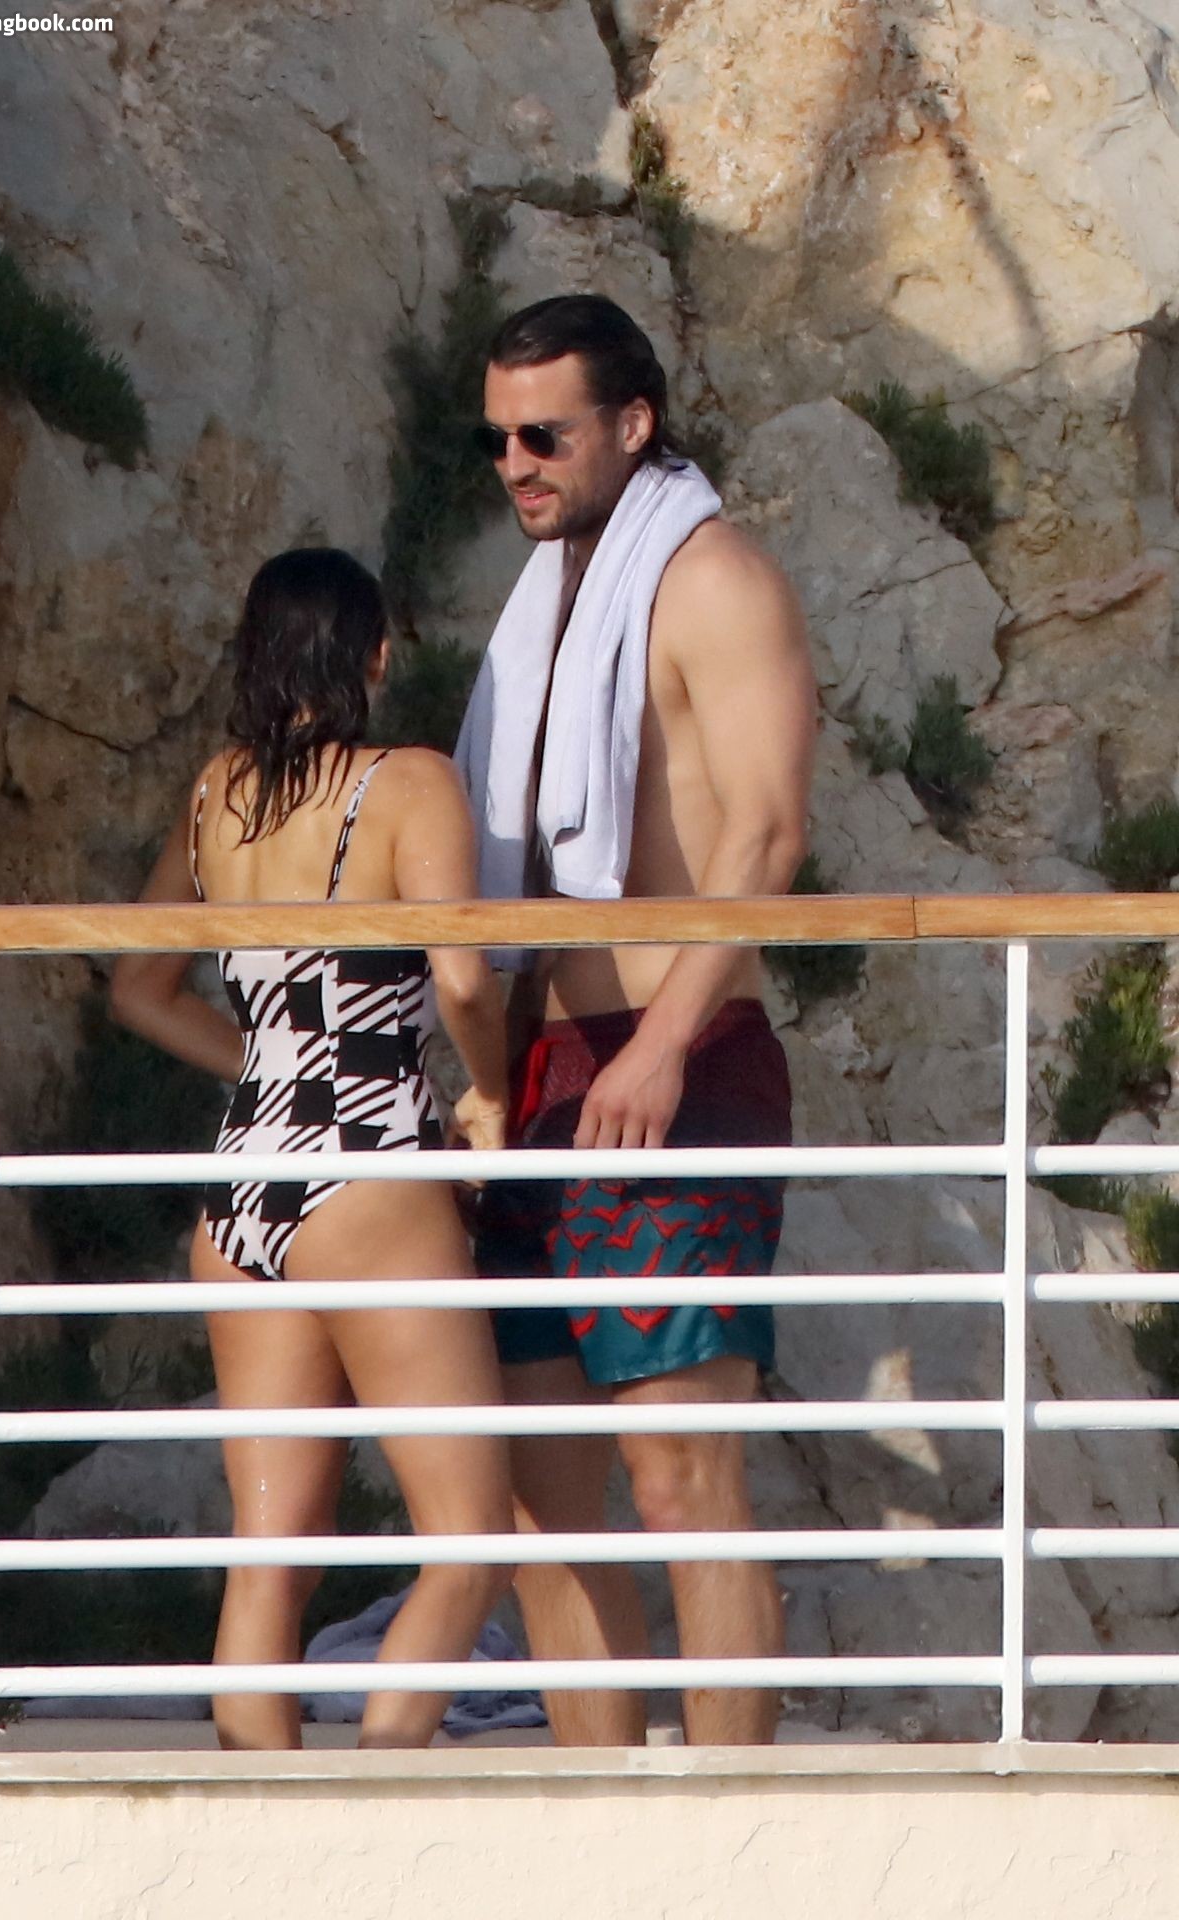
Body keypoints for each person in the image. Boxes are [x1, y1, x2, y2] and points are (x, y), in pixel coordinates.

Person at [457, 295, 816, 1746]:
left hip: (683, 1060)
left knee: (678, 1472)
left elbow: (767, 833)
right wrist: (489, 1075)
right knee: (539, 1490)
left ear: (633, 422)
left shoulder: (715, 579)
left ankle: (731, 1826)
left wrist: (664, 1043)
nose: (516, 465)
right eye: (496, 441)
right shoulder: (545, 605)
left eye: (544, 436)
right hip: (545, 1071)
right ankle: (598, 1819)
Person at [112, 547, 514, 1752]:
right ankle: (378, 1792)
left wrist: (265, 1066)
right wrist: (490, 1094)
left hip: (244, 1181)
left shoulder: (214, 793)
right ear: (373, 656)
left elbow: (137, 988)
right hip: (368, 1169)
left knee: (268, 1559)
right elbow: (460, 980)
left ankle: (258, 1826)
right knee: (468, 1543)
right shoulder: (408, 784)